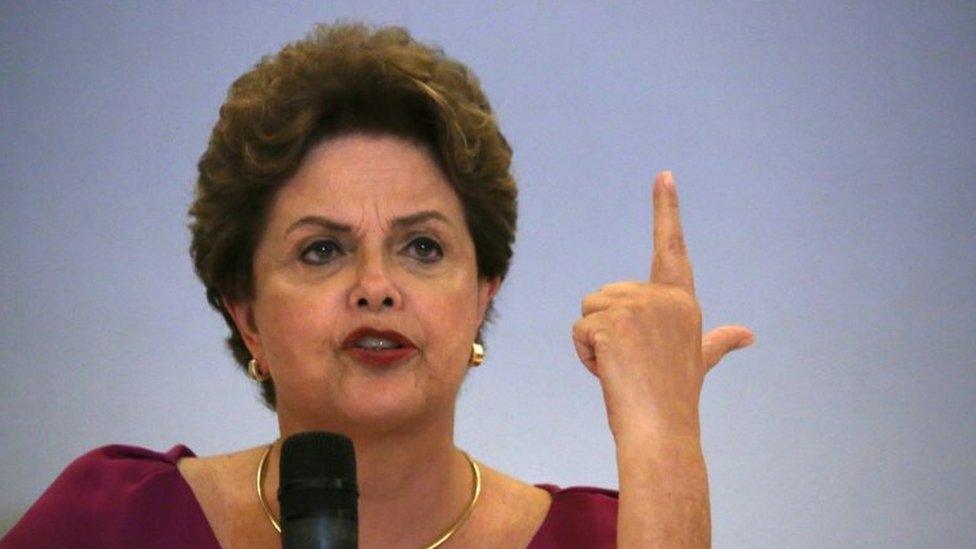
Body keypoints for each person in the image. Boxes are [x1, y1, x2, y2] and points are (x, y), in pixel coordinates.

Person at [1, 23, 753, 548]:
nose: (375, 286)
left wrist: (664, 441)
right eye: (323, 249)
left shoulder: (613, 539)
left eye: (422, 246)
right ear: (247, 313)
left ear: (484, 292)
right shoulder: (113, 525)